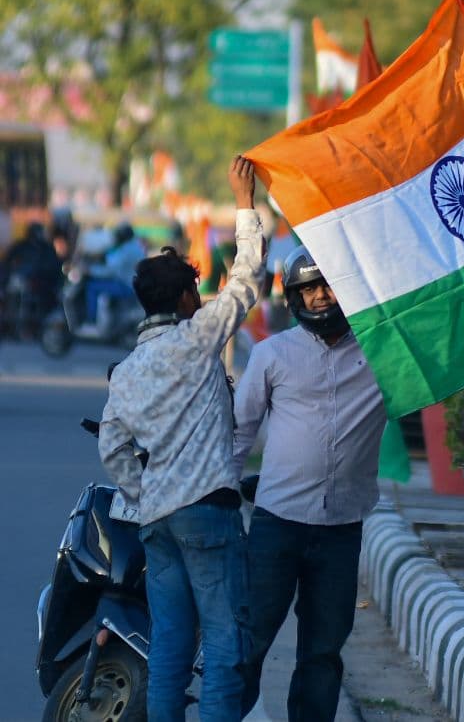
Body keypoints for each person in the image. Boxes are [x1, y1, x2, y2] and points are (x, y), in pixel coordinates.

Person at [98, 156, 265, 722]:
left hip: (157, 520)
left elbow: (112, 447)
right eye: (196, 288)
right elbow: (247, 279)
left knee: (169, 643)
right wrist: (245, 203)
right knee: (223, 642)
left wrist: (144, 493)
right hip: (207, 515)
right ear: (187, 299)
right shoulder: (197, 338)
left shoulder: (126, 371)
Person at [235, 246, 387, 722]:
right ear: (293, 297)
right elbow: (239, 431)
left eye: (328, 285)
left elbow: (451, 355)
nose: (321, 297)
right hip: (275, 525)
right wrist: (217, 497)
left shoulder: (383, 357)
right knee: (251, 641)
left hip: (342, 528)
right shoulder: (271, 354)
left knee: (323, 652)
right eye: (309, 289)